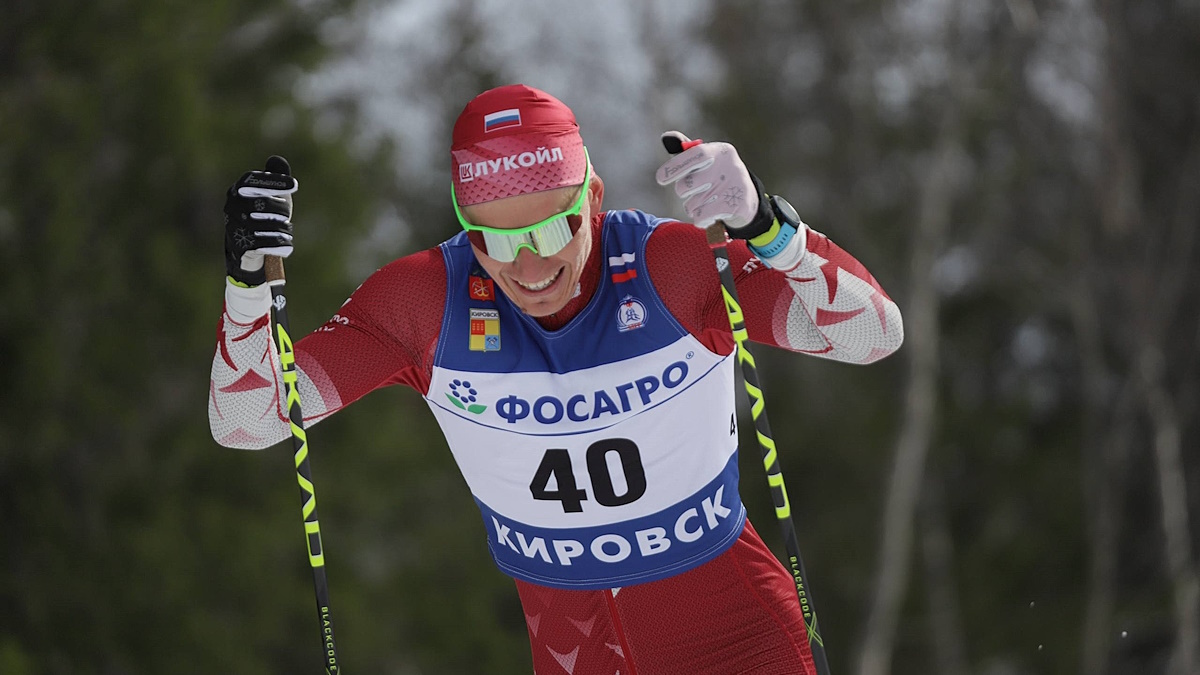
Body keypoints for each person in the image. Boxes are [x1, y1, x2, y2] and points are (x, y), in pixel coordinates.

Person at [210, 84, 903, 675]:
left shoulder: (673, 269)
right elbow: (249, 422)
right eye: (496, 241)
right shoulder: (425, 304)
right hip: (576, 655)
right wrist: (246, 285)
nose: (529, 265)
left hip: (734, 642)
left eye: (552, 230)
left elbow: (870, 335)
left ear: (592, 198)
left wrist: (765, 227)